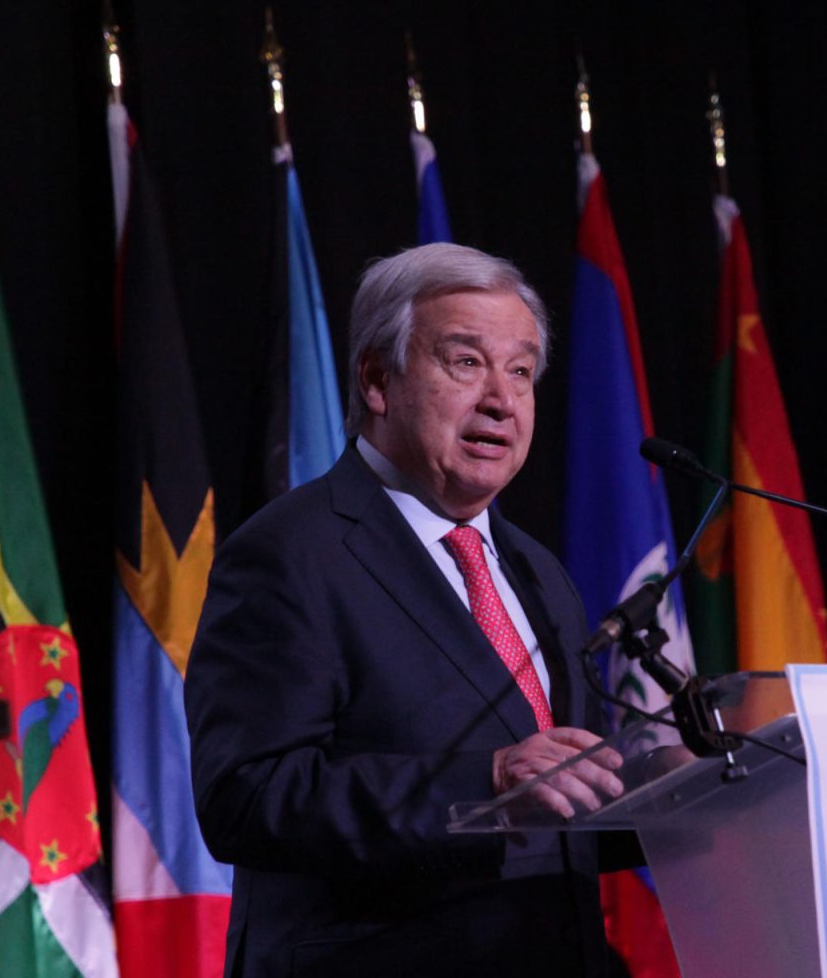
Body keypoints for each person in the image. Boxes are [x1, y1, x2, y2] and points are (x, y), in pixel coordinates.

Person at [186, 243, 630, 977]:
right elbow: (247, 796)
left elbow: (560, 798)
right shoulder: (289, 554)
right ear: (376, 378)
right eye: (466, 363)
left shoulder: (537, 571)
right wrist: (485, 780)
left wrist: (675, 784)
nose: (502, 399)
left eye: (521, 372)